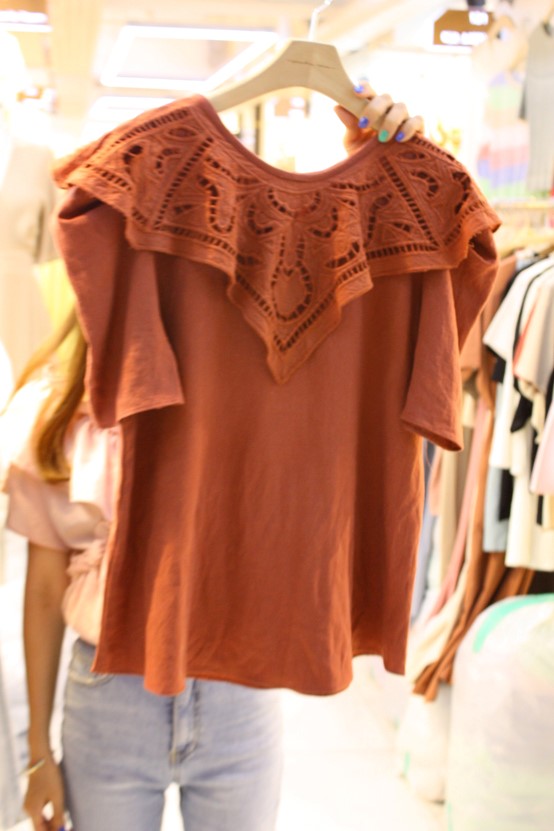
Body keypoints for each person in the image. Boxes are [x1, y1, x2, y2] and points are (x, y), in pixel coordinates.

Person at [1, 85, 424, 831]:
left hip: (240, 694)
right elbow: (39, 594)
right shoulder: (58, 414)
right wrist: (36, 752)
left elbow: (350, 306)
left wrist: (388, 160)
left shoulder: (243, 394)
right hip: (110, 695)